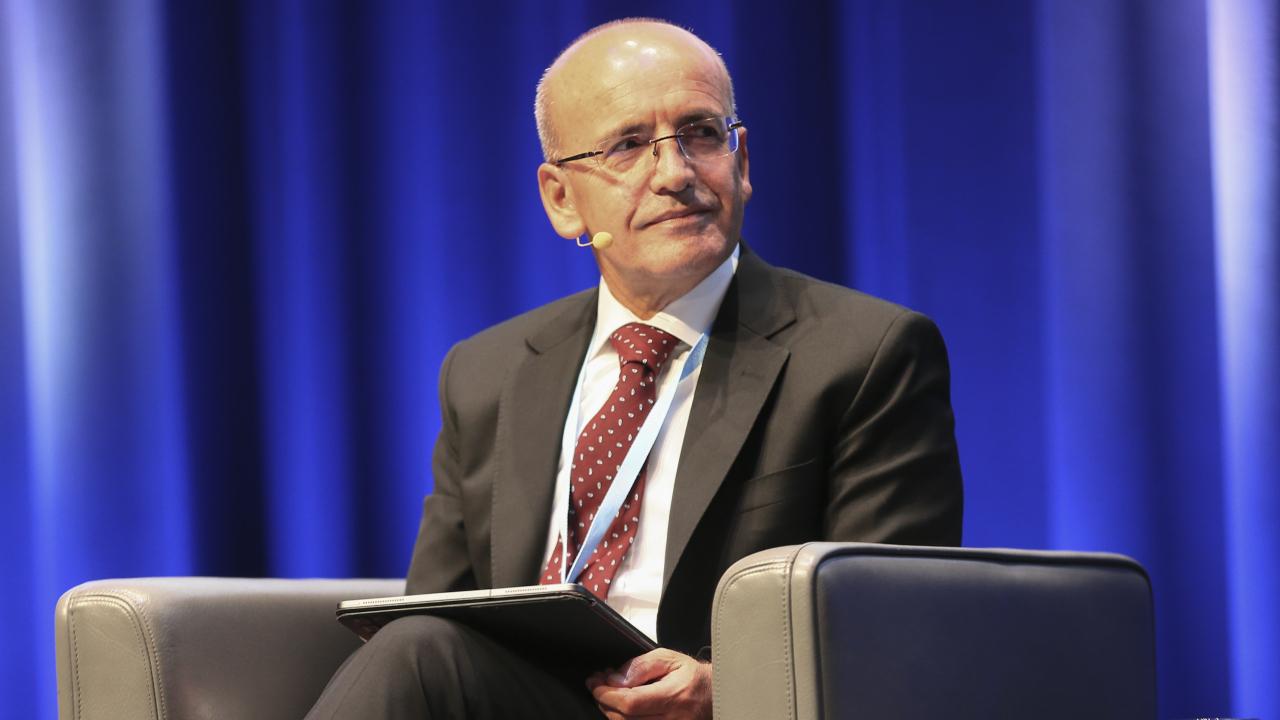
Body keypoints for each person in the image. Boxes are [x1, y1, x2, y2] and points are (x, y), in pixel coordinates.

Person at [306, 17, 962, 720]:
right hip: (525, 701)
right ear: (562, 199)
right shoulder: (487, 372)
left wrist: (724, 688)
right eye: (627, 146)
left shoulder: (865, 354)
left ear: (741, 163)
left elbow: (887, 628)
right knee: (416, 646)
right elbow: (439, 613)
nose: (675, 173)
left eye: (701, 134)